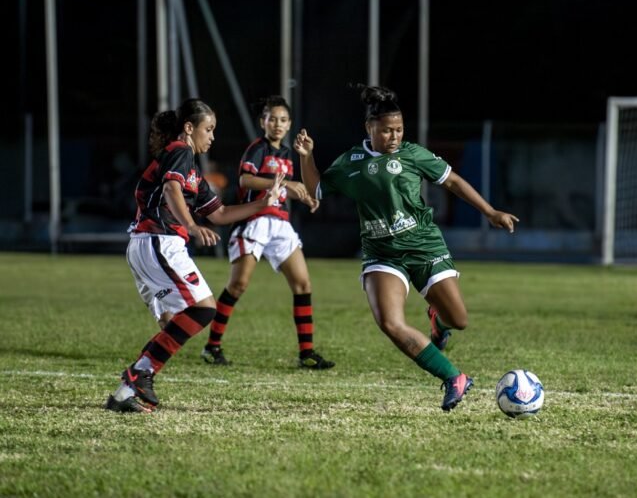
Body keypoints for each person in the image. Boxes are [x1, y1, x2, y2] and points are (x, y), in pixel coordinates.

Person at [293, 85, 518, 411]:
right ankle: (453, 377)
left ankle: (437, 322)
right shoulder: (352, 162)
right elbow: (315, 190)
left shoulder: (413, 154)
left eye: (399, 129)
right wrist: (307, 157)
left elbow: (453, 181)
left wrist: (490, 212)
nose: (394, 136)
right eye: (386, 130)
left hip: (424, 245)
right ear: (369, 128)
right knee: (390, 322)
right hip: (381, 254)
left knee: (459, 320)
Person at [105, 98, 284, 413]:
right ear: (189, 128)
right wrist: (190, 224)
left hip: (148, 246)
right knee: (204, 309)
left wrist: (265, 203)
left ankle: (123, 395)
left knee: (174, 322)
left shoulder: (193, 174)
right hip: (159, 242)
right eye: (208, 129)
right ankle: (139, 373)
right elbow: (172, 190)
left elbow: (221, 213)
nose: (212, 137)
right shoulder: (179, 151)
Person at [201, 95, 335, 370]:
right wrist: (287, 184)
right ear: (263, 122)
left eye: (283, 120)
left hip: (280, 224)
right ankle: (212, 346)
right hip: (254, 220)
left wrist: (306, 197)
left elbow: (287, 190)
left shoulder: (288, 154)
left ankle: (306, 353)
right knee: (238, 285)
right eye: (272, 118)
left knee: (303, 284)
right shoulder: (258, 149)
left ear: (290, 125)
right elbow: (245, 180)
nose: (277, 124)